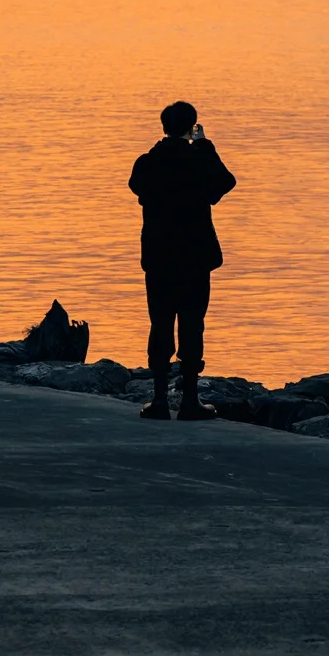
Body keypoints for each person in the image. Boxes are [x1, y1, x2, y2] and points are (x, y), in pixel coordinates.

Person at [128, 100, 236, 421]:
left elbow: (136, 185)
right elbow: (226, 182)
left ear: (163, 127)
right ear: (192, 128)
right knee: (192, 324)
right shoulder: (199, 160)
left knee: (160, 323)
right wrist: (204, 145)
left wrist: (165, 148)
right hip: (194, 258)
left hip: (159, 258)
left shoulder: (149, 161)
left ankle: (160, 400)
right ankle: (189, 400)